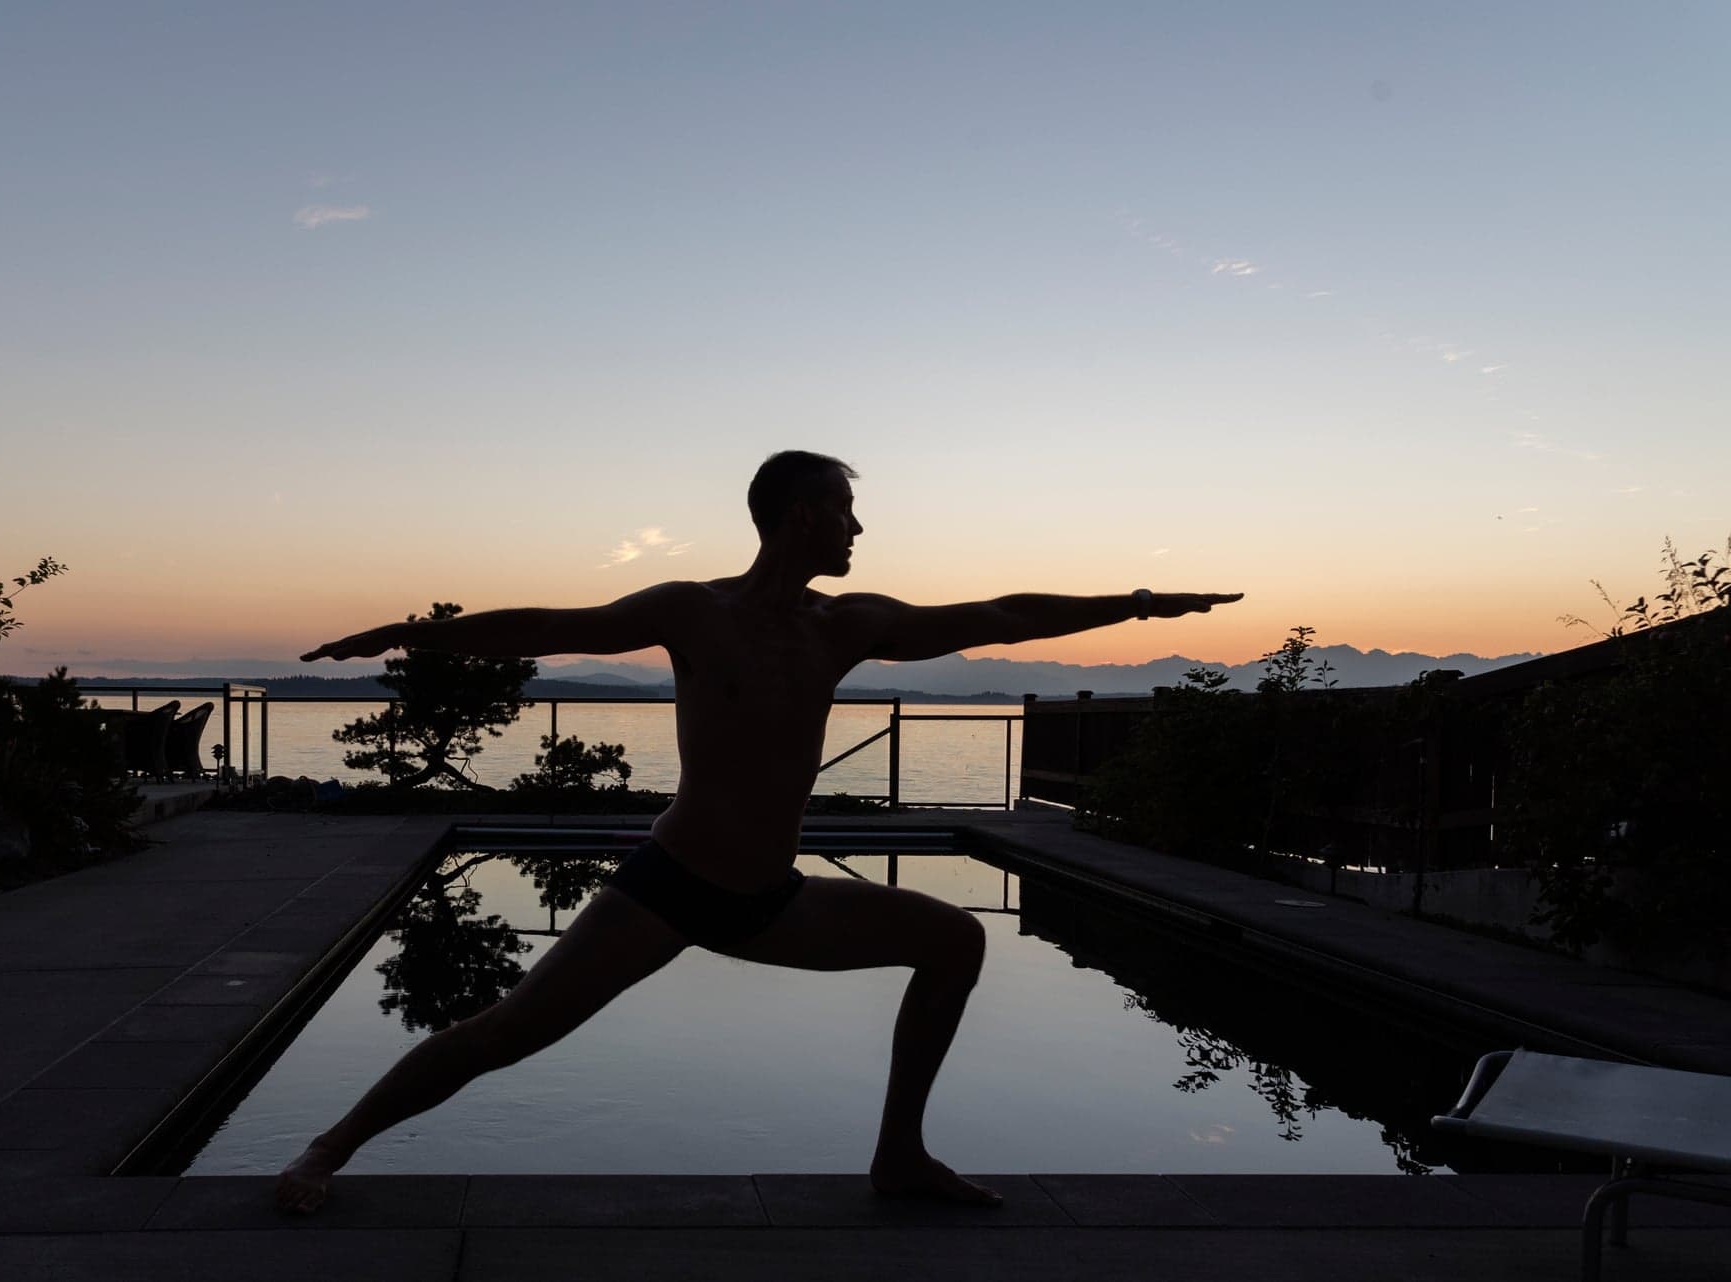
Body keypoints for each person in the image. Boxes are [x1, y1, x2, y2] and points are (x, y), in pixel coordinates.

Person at [278, 450, 1242, 1212]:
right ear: (800, 516)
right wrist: (409, 634)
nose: (859, 528)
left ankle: (899, 1156)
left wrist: (1139, 601)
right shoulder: (692, 613)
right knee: (505, 1033)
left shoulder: (846, 625)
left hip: (768, 900)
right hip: (668, 884)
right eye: (846, 510)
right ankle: (331, 1145)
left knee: (955, 940)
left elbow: (1001, 615)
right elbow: (550, 624)